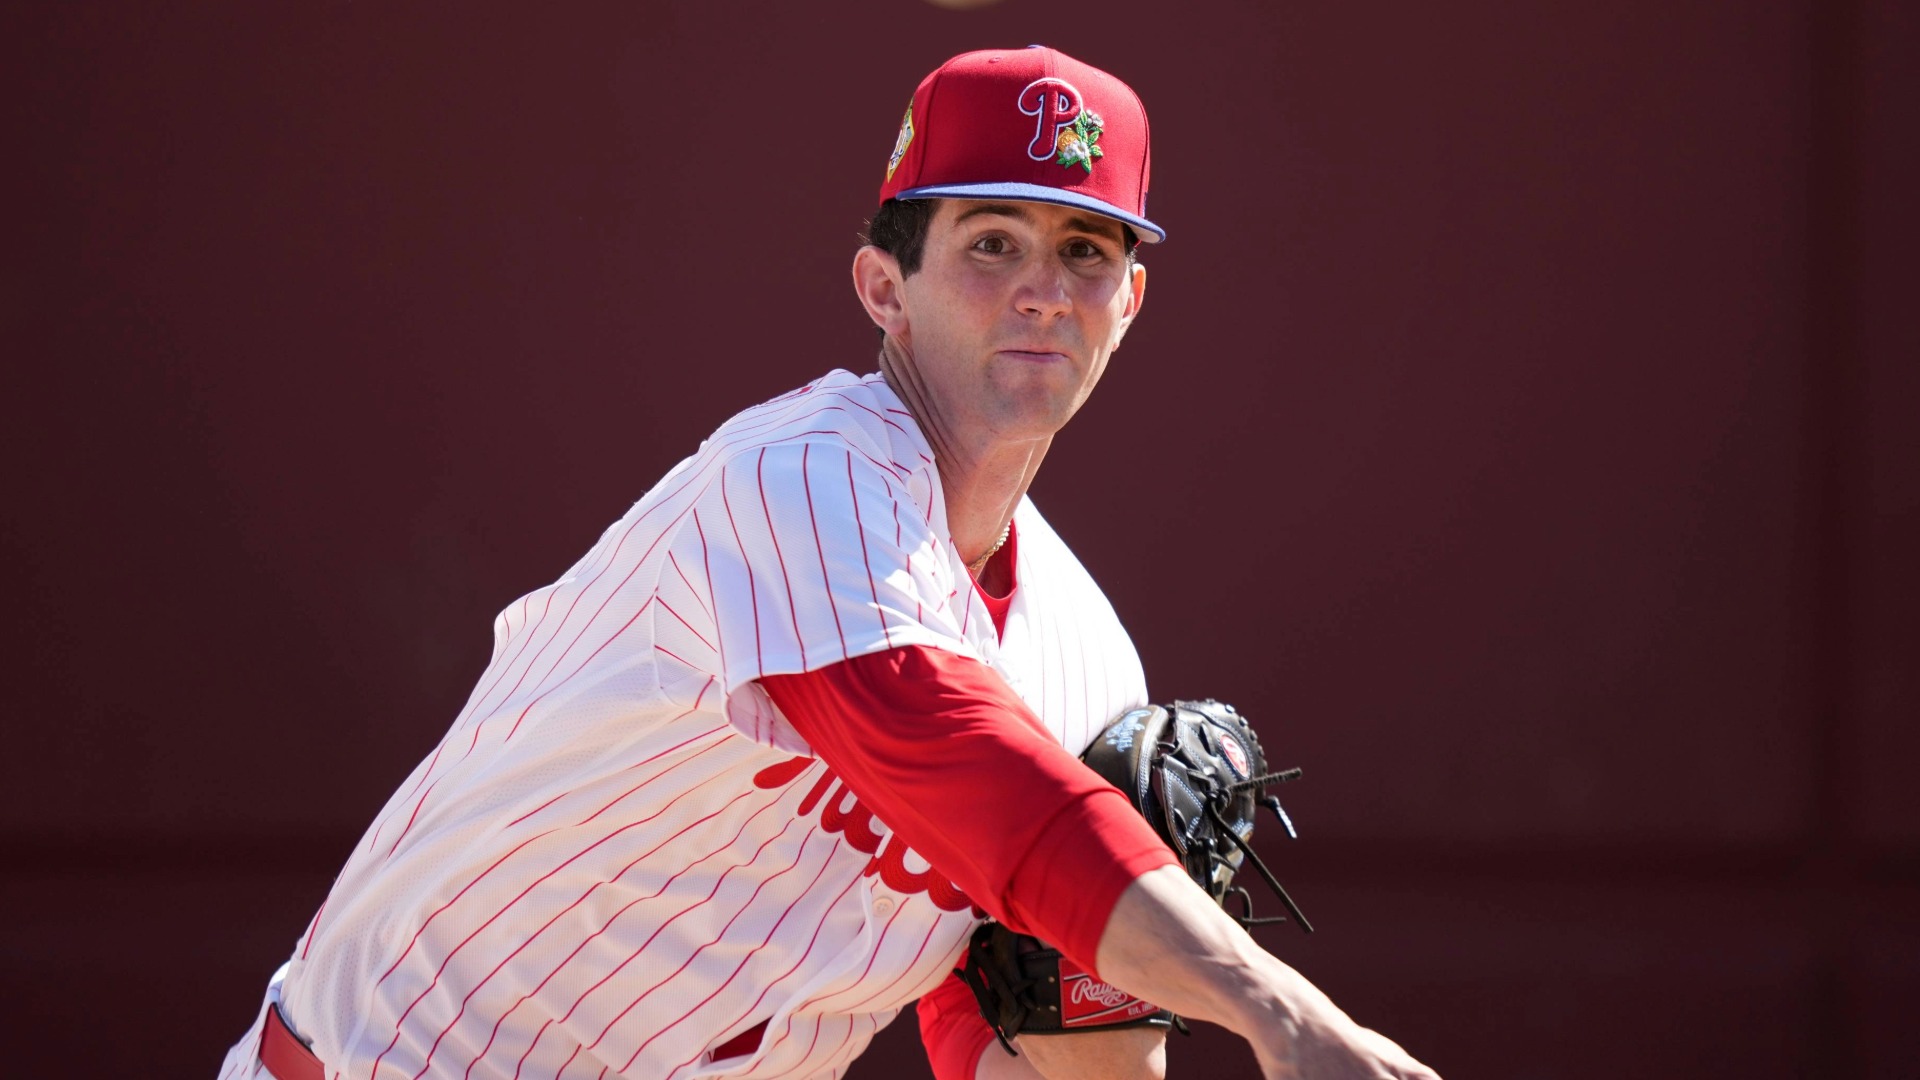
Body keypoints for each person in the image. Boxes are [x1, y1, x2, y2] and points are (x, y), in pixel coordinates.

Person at [219, 45, 1438, 1080]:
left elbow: (1002, 1033)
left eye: (1085, 251)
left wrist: (1115, 1004)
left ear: (1131, 301)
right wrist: (1283, 1013)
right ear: (882, 286)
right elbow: (946, 748)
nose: (1041, 291)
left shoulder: (1080, 662)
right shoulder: (804, 473)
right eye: (992, 240)